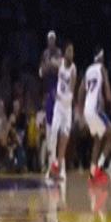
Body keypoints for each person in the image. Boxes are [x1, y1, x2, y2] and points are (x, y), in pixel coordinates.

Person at [78, 47, 111, 186]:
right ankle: (99, 168)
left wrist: (80, 113)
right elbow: (108, 94)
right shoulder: (102, 69)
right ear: (101, 57)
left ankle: (92, 174)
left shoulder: (88, 70)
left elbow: (80, 91)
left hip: (87, 110)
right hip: (96, 109)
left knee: (98, 140)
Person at [48, 42, 77, 181]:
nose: (71, 53)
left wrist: (62, 97)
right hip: (58, 106)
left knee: (64, 141)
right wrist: (48, 61)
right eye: (69, 51)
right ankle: (52, 165)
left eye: (72, 51)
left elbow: (71, 91)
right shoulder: (60, 62)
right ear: (65, 53)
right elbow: (51, 62)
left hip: (67, 106)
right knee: (53, 131)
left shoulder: (73, 69)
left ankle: (61, 169)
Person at [39, 31, 62, 175]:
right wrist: (48, 66)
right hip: (49, 95)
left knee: (59, 130)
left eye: (53, 39)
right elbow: (41, 71)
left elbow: (60, 68)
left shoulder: (59, 53)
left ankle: (58, 163)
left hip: (58, 95)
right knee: (49, 130)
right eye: (49, 39)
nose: (51, 41)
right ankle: (50, 163)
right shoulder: (45, 54)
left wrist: (52, 65)